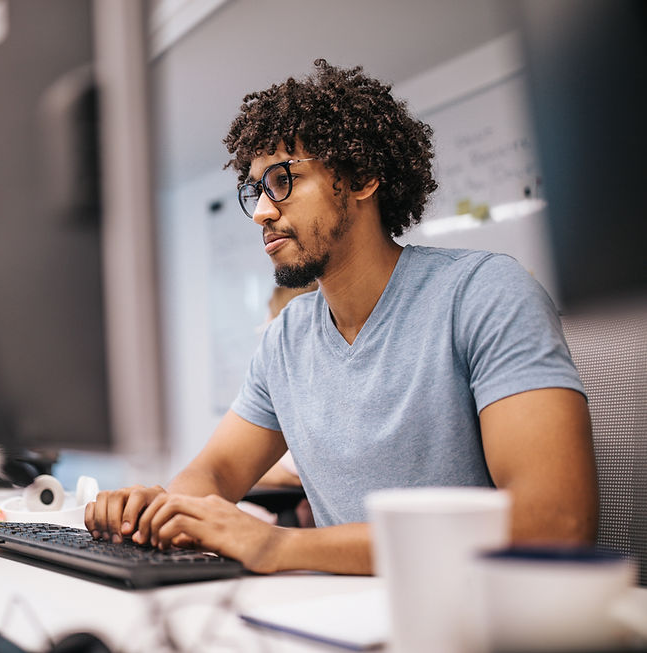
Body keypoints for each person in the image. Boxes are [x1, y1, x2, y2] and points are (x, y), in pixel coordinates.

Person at [85, 59, 597, 575]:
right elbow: (214, 473)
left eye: (282, 179)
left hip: (476, 616)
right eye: (255, 190)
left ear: (363, 178)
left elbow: (554, 525)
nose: (262, 210)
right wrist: (156, 509)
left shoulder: (484, 293)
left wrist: (278, 546)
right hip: (345, 614)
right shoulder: (286, 337)